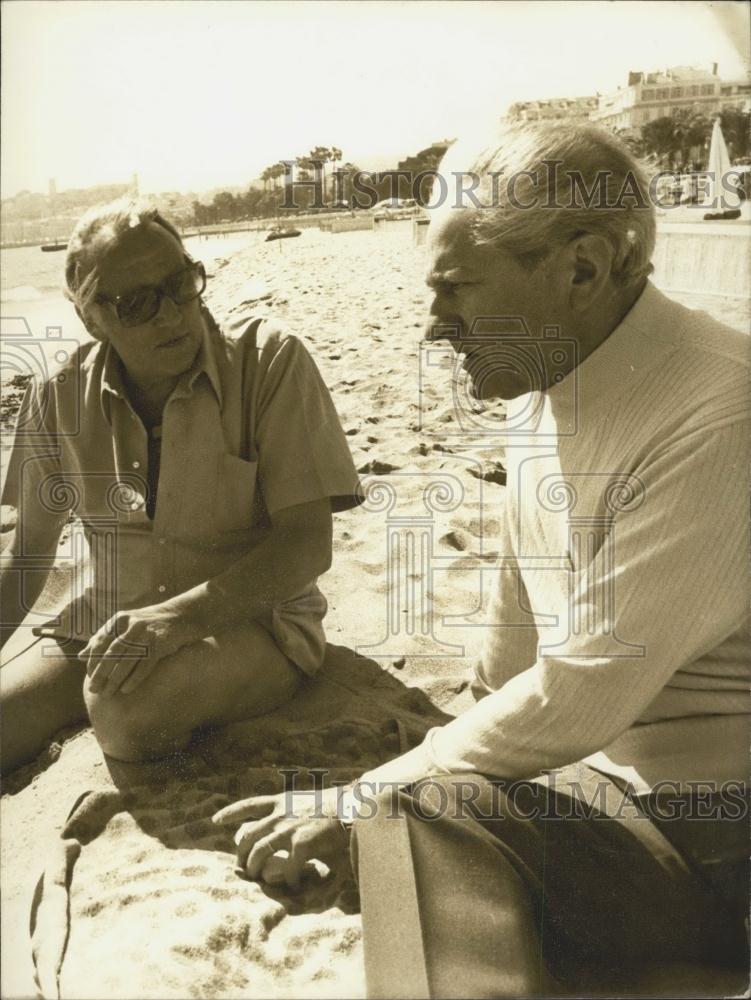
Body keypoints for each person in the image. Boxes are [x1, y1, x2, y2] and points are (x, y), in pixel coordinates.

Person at [213, 122, 750, 997]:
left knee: (412, 813)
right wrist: (432, 748)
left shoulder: (719, 411)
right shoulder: (552, 374)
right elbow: (517, 622)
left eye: (456, 288)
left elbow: (580, 691)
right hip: (610, 790)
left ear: (581, 269)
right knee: (416, 801)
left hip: (714, 833)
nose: (434, 326)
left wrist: (373, 797)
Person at [0, 198, 361, 773]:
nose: (170, 314)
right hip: (108, 626)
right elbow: (29, 557)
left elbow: (305, 544)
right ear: (92, 319)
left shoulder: (268, 361)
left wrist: (174, 623)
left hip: (250, 626)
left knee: (122, 710)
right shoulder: (56, 397)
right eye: (135, 303)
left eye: (179, 284)